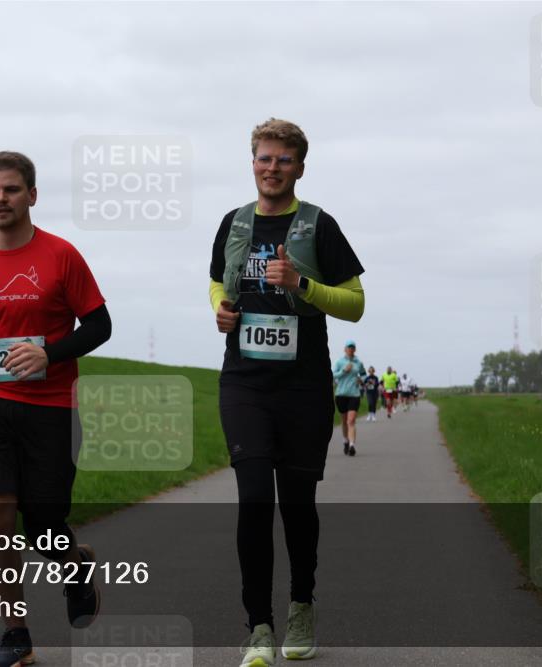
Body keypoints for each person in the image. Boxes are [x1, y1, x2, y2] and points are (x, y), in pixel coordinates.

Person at [0, 151, 112, 667]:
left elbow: (100, 326)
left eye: (11, 190)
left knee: (43, 525)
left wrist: (49, 352)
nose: (1, 199)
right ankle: (16, 635)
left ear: (32, 195)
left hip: (51, 407)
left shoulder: (62, 256)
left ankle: (73, 567)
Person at [209, 119, 365, 665]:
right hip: (245, 382)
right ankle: (258, 626)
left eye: (283, 160)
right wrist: (221, 312)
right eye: (263, 158)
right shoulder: (234, 223)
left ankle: (302, 604)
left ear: (300, 166)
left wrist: (301, 285)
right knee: (254, 499)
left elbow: (356, 303)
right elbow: (214, 282)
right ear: (251, 161)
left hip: (303, 385)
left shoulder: (319, 226)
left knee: (297, 506)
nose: (271, 168)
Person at [333, 341, 365, 456]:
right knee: (344, 421)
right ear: (345, 349)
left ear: (355, 350)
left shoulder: (358, 362)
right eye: (349, 347)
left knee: (350, 421)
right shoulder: (340, 362)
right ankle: (345, 441)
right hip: (341, 394)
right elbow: (332, 374)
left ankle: (352, 445)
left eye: (353, 347)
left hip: (354, 394)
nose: (351, 349)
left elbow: (364, 374)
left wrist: (361, 380)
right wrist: (344, 371)